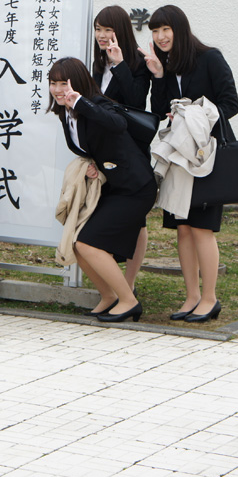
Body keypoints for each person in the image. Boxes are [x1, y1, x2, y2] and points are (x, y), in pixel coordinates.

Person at [139, 5, 238, 324]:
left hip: (205, 156)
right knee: (182, 229)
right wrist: (157, 76)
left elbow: (231, 103)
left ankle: (210, 298)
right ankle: (192, 297)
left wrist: (195, 113)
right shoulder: (166, 67)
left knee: (202, 228)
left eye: (165, 29)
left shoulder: (210, 58)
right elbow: (156, 112)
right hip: (177, 159)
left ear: (179, 29)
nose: (160, 36)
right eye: (155, 31)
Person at [48, 57, 157, 323]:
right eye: (53, 83)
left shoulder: (95, 104)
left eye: (64, 83)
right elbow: (92, 146)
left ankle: (129, 301)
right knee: (79, 244)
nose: (58, 89)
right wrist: (92, 166)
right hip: (113, 187)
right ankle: (108, 296)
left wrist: (80, 102)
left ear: (79, 83)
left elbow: (117, 124)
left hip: (135, 187)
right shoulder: (66, 114)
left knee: (88, 242)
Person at [91, 5, 152, 290]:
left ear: (121, 31)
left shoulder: (137, 61)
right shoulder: (94, 61)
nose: (101, 36)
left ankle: (128, 282)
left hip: (131, 152)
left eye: (108, 30)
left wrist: (119, 66)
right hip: (101, 151)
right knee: (104, 213)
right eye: (98, 29)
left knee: (135, 220)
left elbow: (136, 101)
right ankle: (111, 279)